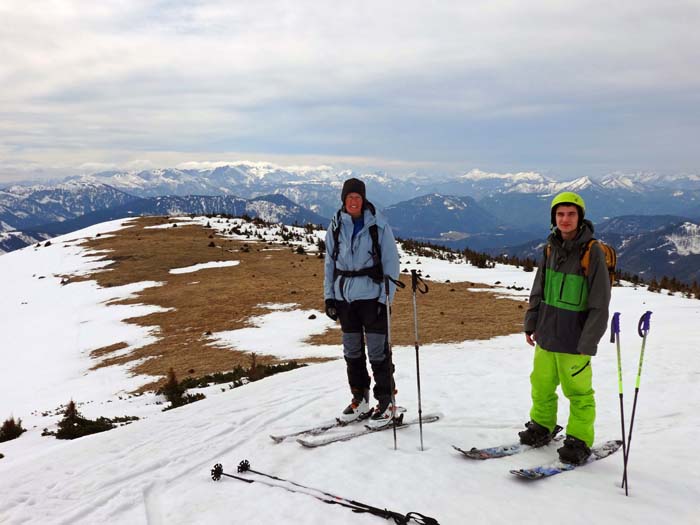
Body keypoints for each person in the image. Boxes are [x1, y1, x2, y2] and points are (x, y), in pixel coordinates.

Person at [521, 191, 611, 464]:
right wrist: (531, 323)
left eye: (571, 214)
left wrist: (589, 342)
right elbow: (538, 289)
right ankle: (541, 426)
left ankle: (579, 440)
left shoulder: (592, 251)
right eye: (560, 214)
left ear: (580, 217)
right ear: (554, 218)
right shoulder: (550, 248)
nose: (565, 219)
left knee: (579, 393)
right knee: (541, 385)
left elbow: (600, 302)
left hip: (575, 339)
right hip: (547, 335)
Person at [324, 177, 401, 427]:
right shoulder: (335, 227)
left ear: (363, 199)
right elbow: (329, 265)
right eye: (350, 197)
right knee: (352, 353)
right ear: (344, 200)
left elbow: (391, 263)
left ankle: (387, 403)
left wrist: (385, 298)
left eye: (357, 197)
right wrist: (329, 296)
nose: (354, 201)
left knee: (378, 353)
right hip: (346, 300)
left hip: (373, 298)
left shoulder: (378, 226)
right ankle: (360, 399)